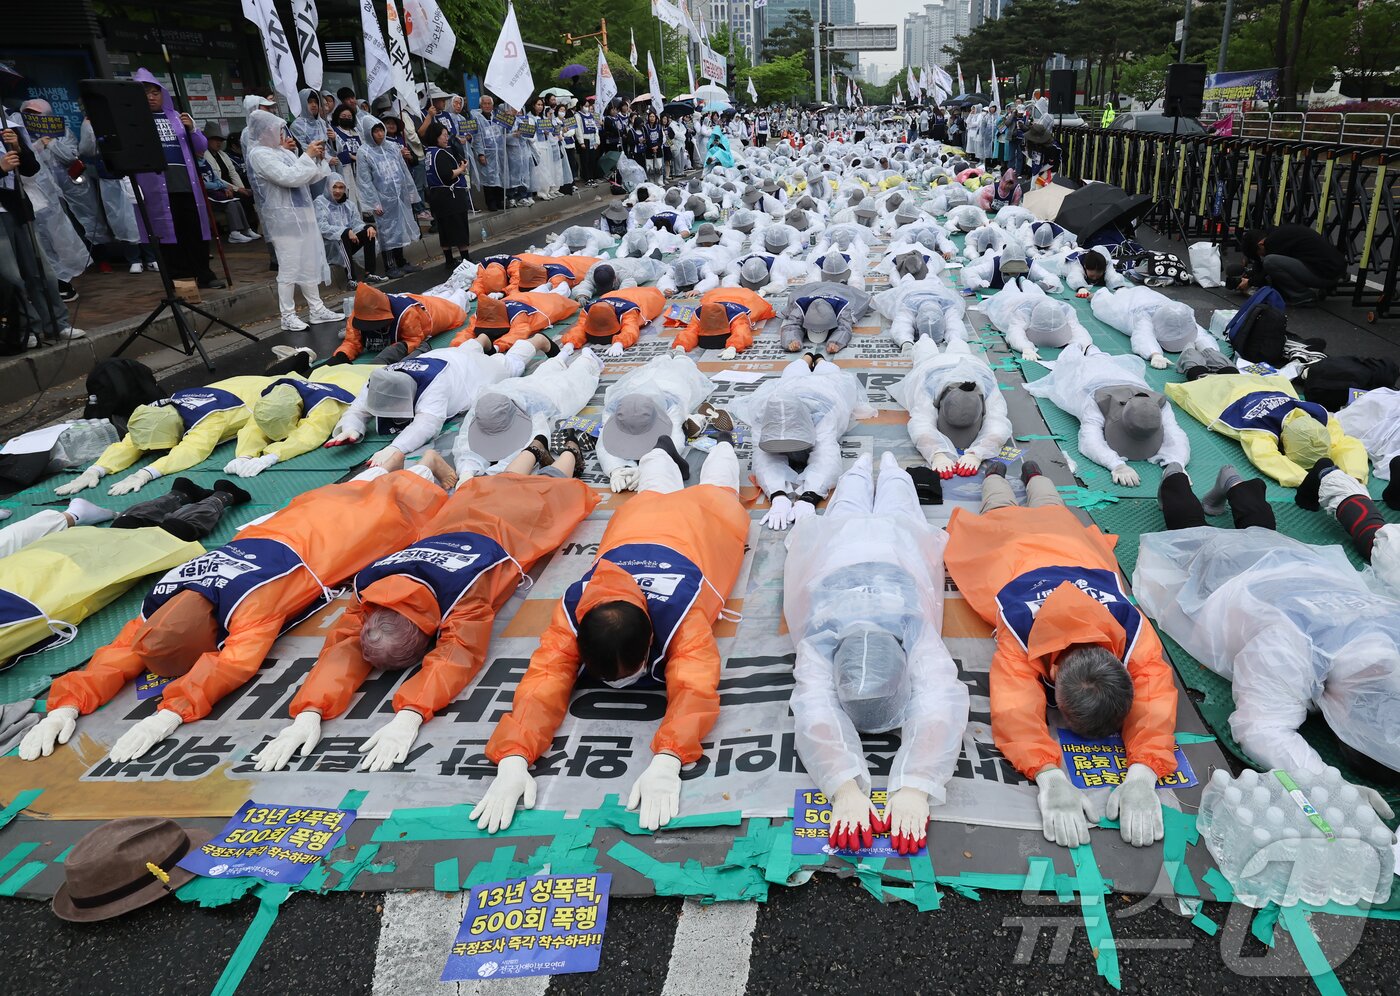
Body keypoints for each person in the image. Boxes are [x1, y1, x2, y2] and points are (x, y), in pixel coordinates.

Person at [20, 464, 452, 763]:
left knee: (399, 506)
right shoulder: (167, 602)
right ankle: (391, 466)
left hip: (331, 543)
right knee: (351, 492)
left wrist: (170, 712)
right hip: (283, 528)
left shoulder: (251, 604)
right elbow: (127, 648)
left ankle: (420, 468)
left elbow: (233, 663)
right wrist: (67, 704)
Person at [471, 437, 747, 833]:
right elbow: (546, 680)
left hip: (705, 522)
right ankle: (664, 450)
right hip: (640, 522)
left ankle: (718, 441)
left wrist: (669, 758)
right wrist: (514, 757)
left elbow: (695, 685)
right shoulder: (574, 613)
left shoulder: (682, 613)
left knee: (718, 485)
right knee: (654, 484)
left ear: (653, 635)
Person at [252, 470, 600, 772]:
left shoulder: (463, 593)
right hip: (463, 513)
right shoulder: (372, 588)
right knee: (497, 478)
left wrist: (410, 715)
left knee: (546, 483)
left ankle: (562, 452)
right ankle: (532, 453)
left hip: (513, 522)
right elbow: (346, 645)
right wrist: (309, 712)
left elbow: (456, 655)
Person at [943, 467, 1177, 848]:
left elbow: (1154, 696)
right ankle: (1006, 473)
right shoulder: (1020, 632)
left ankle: (1022, 474)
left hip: (1058, 540)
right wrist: (1049, 777)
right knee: (1003, 505)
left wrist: (1142, 776)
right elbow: (1015, 711)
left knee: (1043, 504)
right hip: (1013, 544)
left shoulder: (1131, 632)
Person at [1133, 502, 1400, 801]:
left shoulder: (1388, 642)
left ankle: (1238, 491)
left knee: (1251, 518)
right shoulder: (1290, 649)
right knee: (1190, 532)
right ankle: (1184, 478)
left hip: (1306, 567)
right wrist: (1328, 784)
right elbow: (1260, 729)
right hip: (1224, 574)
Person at [784, 453, 969, 854]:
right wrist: (851, 789)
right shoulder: (829, 636)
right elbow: (939, 702)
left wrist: (911, 787)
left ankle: (879, 467)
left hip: (877, 546)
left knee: (875, 497)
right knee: (877, 498)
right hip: (868, 548)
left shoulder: (904, 629)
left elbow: (815, 708)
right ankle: (877, 468)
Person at [54, 376, 275, 497]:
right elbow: (132, 441)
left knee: (289, 375)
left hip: (261, 388)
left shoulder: (210, 419)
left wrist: (147, 473)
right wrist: (97, 469)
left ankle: (301, 356)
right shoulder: (157, 413)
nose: (148, 452)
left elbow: (190, 452)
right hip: (231, 384)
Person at [329, 341, 533, 464]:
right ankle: (483, 341)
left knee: (508, 364)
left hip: (472, 371)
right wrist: (351, 427)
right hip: (443, 356)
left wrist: (395, 448)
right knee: (466, 348)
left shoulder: (435, 385)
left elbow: (427, 424)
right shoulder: (379, 381)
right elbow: (357, 410)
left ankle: (536, 341)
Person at [734, 357, 873, 530]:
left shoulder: (825, 414)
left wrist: (810, 497)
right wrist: (778, 495)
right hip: (789, 385)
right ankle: (806, 357)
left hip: (826, 387)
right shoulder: (762, 415)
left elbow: (826, 457)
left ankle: (819, 360)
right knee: (792, 372)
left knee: (828, 370)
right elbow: (763, 458)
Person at [1166, 371, 1369, 487]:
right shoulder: (1260, 431)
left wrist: (1354, 477)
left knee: (1219, 364)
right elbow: (1268, 459)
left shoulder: (1318, 419)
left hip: (1254, 384)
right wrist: (1315, 482)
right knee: (1198, 371)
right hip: (1221, 389)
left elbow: (1344, 444)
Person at [1025, 344, 1191, 486]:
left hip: (1126, 379)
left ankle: (1093, 350)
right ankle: (1084, 348)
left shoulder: (1159, 405)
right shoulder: (1096, 401)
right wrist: (1116, 464)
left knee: (1103, 361)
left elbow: (1175, 434)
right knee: (1072, 364)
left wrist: (1176, 464)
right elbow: (1089, 440)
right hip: (1088, 381)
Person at [242, 110, 342, 331]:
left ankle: (316, 309)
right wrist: (307, 155)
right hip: (283, 219)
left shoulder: (282, 152)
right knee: (289, 267)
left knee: (308, 261)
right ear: (264, 131)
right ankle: (287, 315)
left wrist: (316, 157)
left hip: (302, 214)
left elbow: (309, 176)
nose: (281, 133)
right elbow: (288, 178)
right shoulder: (259, 154)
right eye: (276, 129)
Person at [0, 106, 85, 345]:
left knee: (42, 271)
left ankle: (57, 324)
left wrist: (17, 147)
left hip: (17, 206)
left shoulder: (8, 127)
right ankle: (26, 330)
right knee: (11, 276)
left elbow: (31, 168)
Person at [131, 69, 223, 289]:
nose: (152, 97)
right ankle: (180, 280)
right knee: (168, 235)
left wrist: (192, 129)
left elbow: (201, 148)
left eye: (155, 92)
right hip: (156, 188)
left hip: (186, 185)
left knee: (195, 230)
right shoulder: (134, 121)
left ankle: (204, 274)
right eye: (146, 93)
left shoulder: (178, 117)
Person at [224, 364, 376, 477]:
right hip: (331, 373)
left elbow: (310, 434)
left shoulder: (325, 404)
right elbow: (255, 425)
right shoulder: (271, 400)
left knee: (388, 355)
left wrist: (273, 455)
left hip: (360, 377)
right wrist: (244, 455)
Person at [595, 353, 716, 493]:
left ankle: (680, 354)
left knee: (683, 366)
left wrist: (647, 467)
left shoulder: (671, 406)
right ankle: (666, 356)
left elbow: (674, 441)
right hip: (642, 380)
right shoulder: (614, 408)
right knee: (658, 362)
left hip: (673, 382)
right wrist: (616, 469)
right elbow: (604, 442)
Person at [891, 338, 1013, 477]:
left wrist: (978, 453)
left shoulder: (989, 389)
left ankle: (956, 341)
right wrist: (937, 453)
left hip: (970, 362)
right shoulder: (927, 387)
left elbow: (998, 424)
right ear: (940, 403)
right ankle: (925, 340)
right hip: (931, 364)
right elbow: (921, 422)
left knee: (959, 342)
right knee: (925, 346)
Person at [328, 282, 466, 364]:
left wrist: (391, 352)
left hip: (429, 312)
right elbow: (351, 342)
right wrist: (340, 357)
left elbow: (414, 340)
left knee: (458, 307)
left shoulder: (407, 315)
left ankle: (463, 290)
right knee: (439, 295)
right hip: (407, 299)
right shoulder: (358, 316)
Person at [356, 115, 420, 278]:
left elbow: (403, 171)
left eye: (380, 130)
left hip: (398, 196)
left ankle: (401, 261)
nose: (379, 134)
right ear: (369, 133)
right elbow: (365, 181)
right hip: (382, 199)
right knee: (387, 232)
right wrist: (374, 203)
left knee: (400, 229)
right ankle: (389, 265)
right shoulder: (364, 152)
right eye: (375, 131)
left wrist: (409, 191)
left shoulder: (392, 147)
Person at [1090, 285, 1215, 368]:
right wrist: (1154, 354)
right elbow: (1142, 334)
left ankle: (1123, 289)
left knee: (1126, 292)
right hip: (1133, 304)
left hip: (1150, 296)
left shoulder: (1180, 310)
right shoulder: (1143, 315)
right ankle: (1102, 294)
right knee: (1106, 305)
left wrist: (1210, 351)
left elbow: (1199, 332)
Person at [984, 280, 1093, 362]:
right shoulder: (1023, 312)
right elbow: (1014, 331)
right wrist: (1025, 347)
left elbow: (1077, 329)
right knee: (1009, 290)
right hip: (1013, 301)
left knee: (1032, 287)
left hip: (1040, 298)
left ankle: (1024, 280)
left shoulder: (1064, 310)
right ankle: (1013, 281)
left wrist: (1083, 346)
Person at [1238, 225, 1347, 305]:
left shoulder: (1272, 242)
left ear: (1260, 244)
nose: (1262, 256)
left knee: (1270, 261)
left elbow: (1266, 270)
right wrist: (1252, 274)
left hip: (1326, 275)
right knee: (1271, 262)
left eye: (1259, 254)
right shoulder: (1277, 233)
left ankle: (1302, 295)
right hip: (1334, 270)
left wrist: (1250, 282)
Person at [779, 270, 874, 355]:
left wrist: (835, 343)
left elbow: (844, 327)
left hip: (842, 291)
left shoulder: (843, 308)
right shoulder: (801, 306)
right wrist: (792, 341)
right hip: (814, 289)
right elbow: (792, 325)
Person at [422, 121, 473, 272]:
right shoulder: (440, 153)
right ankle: (465, 258)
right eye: (443, 135)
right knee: (459, 225)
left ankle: (449, 260)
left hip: (437, 195)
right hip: (450, 195)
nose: (446, 138)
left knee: (444, 229)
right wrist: (461, 169)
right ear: (435, 137)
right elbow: (447, 175)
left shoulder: (429, 153)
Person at [453, 291, 577, 353]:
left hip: (539, 301)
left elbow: (518, 332)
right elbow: (468, 331)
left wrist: (496, 347)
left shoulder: (519, 315)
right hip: (517, 296)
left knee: (558, 294)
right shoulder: (480, 315)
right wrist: (458, 347)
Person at [670, 287, 777, 358]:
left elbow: (741, 331)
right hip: (716, 295)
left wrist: (733, 346)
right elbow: (691, 330)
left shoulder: (736, 315)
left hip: (744, 296)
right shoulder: (701, 313)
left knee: (757, 304)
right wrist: (681, 346)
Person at [560, 287, 666, 355]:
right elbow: (580, 327)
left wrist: (620, 342)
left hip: (643, 296)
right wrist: (570, 342)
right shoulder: (589, 310)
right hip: (612, 294)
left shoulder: (628, 311)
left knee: (656, 294)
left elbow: (631, 329)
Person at [316, 178, 381, 286]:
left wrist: (368, 227)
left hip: (349, 242)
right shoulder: (320, 203)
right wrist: (345, 231)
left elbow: (356, 223)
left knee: (369, 232)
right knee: (344, 235)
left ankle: (369, 274)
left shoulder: (348, 204)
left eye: (341, 187)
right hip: (330, 246)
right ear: (328, 187)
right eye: (334, 187)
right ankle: (351, 279)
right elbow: (322, 227)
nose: (338, 191)